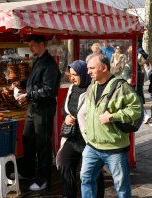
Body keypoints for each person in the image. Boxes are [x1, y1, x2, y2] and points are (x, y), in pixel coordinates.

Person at [80, 53, 142, 198]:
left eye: (91, 68)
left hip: (115, 148)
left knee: (121, 186)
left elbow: (136, 110)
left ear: (104, 68)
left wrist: (113, 117)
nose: (88, 72)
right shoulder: (92, 86)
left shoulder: (122, 87)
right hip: (92, 146)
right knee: (86, 179)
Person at [15, 34, 61, 191]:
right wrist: (21, 84)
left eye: (32, 45)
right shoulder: (38, 61)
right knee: (27, 139)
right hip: (33, 108)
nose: (30, 48)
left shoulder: (50, 65)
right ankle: (28, 172)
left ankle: (44, 179)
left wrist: (27, 95)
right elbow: (33, 82)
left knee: (43, 144)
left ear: (42, 44)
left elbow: (49, 90)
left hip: (44, 109)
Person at [56, 60, 104, 198]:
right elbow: (64, 109)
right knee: (64, 164)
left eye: (75, 75)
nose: (72, 78)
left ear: (83, 74)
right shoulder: (72, 88)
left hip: (89, 139)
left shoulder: (94, 89)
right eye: (70, 75)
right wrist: (66, 116)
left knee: (93, 172)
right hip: (72, 137)